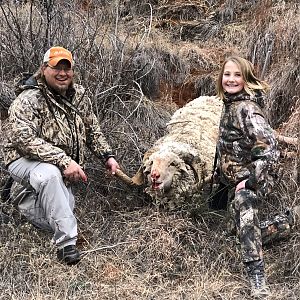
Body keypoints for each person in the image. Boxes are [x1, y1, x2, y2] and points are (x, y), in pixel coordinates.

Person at [3, 46, 120, 265]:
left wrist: (107, 156)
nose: (62, 73)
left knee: (60, 212)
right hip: (22, 160)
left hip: (59, 167)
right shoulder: (29, 99)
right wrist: (64, 160)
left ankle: (20, 195)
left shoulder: (80, 95)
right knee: (49, 177)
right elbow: (23, 140)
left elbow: (92, 130)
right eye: (57, 67)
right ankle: (66, 246)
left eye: (67, 68)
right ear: (44, 69)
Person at [215, 55, 299, 298]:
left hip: (254, 180)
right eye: (227, 74)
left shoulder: (247, 109)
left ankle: (258, 281)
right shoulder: (229, 104)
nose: (231, 79)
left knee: (245, 205)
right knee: (240, 234)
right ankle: (291, 219)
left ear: (246, 79)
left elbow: (269, 149)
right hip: (235, 180)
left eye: (237, 75)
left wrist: (249, 182)